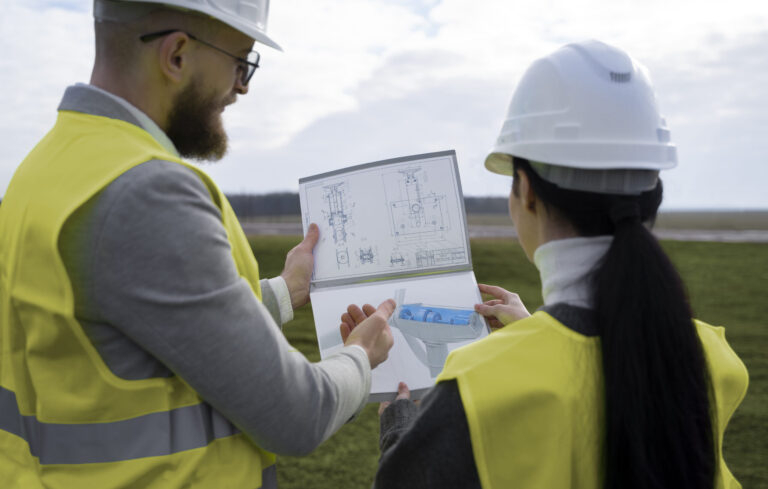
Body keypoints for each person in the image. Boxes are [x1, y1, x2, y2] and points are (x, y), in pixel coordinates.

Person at [0, 1, 395, 487]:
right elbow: (295, 414)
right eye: (240, 61)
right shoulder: (145, 192)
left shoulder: (51, 166)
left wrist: (286, 291)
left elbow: (156, 322)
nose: (243, 87)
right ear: (178, 55)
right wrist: (360, 356)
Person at [341, 40, 749, 489]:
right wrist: (535, 331)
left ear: (525, 190)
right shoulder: (713, 357)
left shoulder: (478, 385)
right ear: (652, 193)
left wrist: (400, 426)